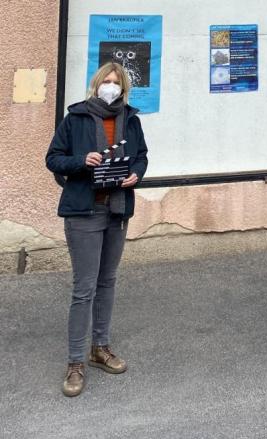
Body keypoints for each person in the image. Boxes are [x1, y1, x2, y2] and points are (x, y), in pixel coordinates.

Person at [45, 62, 148, 397]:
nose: (111, 85)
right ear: (96, 83)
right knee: (84, 288)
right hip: (83, 211)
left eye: (117, 82)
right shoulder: (75, 118)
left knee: (107, 282)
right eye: (107, 80)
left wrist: (136, 174)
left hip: (116, 210)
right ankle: (75, 362)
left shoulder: (130, 119)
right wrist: (81, 161)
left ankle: (99, 348)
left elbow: (141, 156)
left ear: (124, 88)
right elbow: (53, 158)